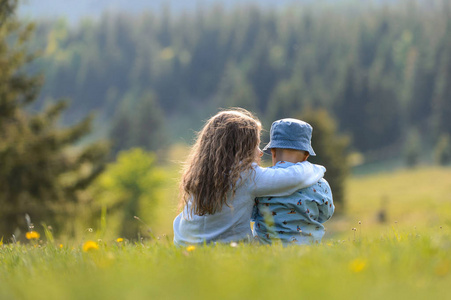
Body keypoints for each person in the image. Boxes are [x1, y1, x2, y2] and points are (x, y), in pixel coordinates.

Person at [173, 109, 327, 246]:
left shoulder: (201, 173)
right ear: (242, 147)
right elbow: (294, 177)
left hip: (184, 244)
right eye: (256, 145)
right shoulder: (248, 175)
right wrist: (313, 166)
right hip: (226, 247)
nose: (260, 152)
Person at [252, 118, 334, 245]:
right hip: (307, 249)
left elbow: (251, 214)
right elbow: (326, 213)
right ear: (306, 155)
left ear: (273, 152)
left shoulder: (262, 180)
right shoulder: (320, 183)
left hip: (265, 249)